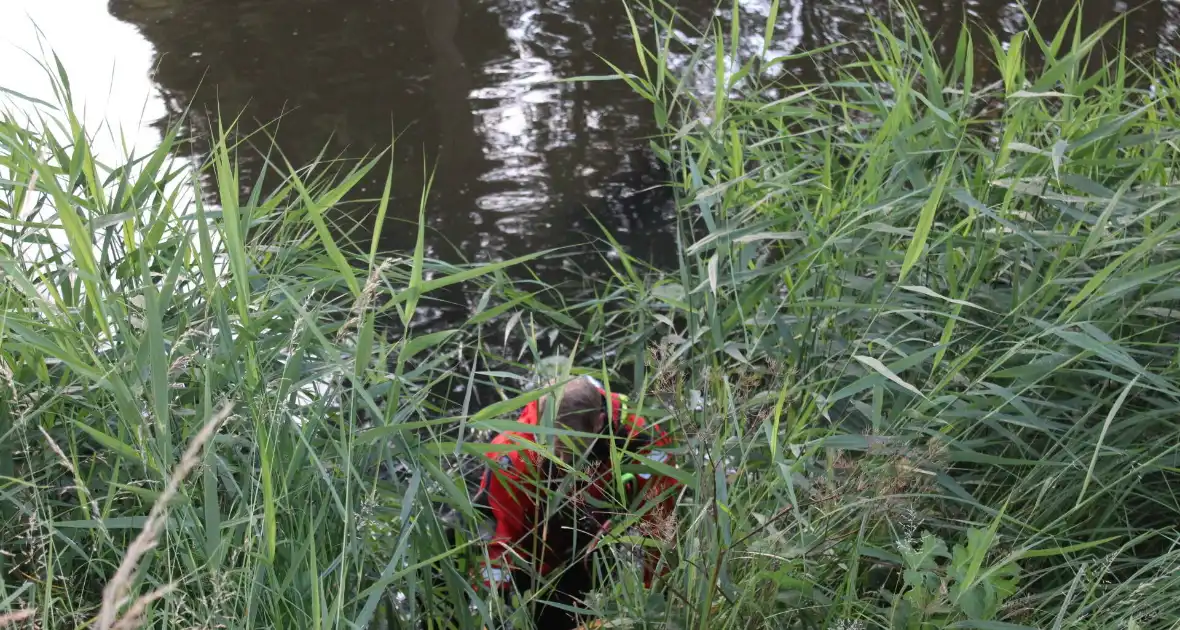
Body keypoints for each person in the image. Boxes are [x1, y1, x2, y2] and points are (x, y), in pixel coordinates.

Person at [470, 375, 678, 629]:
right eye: (558, 456)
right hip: (539, 535)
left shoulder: (641, 437)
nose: (569, 468)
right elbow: (502, 542)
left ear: (600, 423)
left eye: (576, 455)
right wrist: (498, 606)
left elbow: (659, 521)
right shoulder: (511, 457)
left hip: (603, 522)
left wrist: (653, 595)